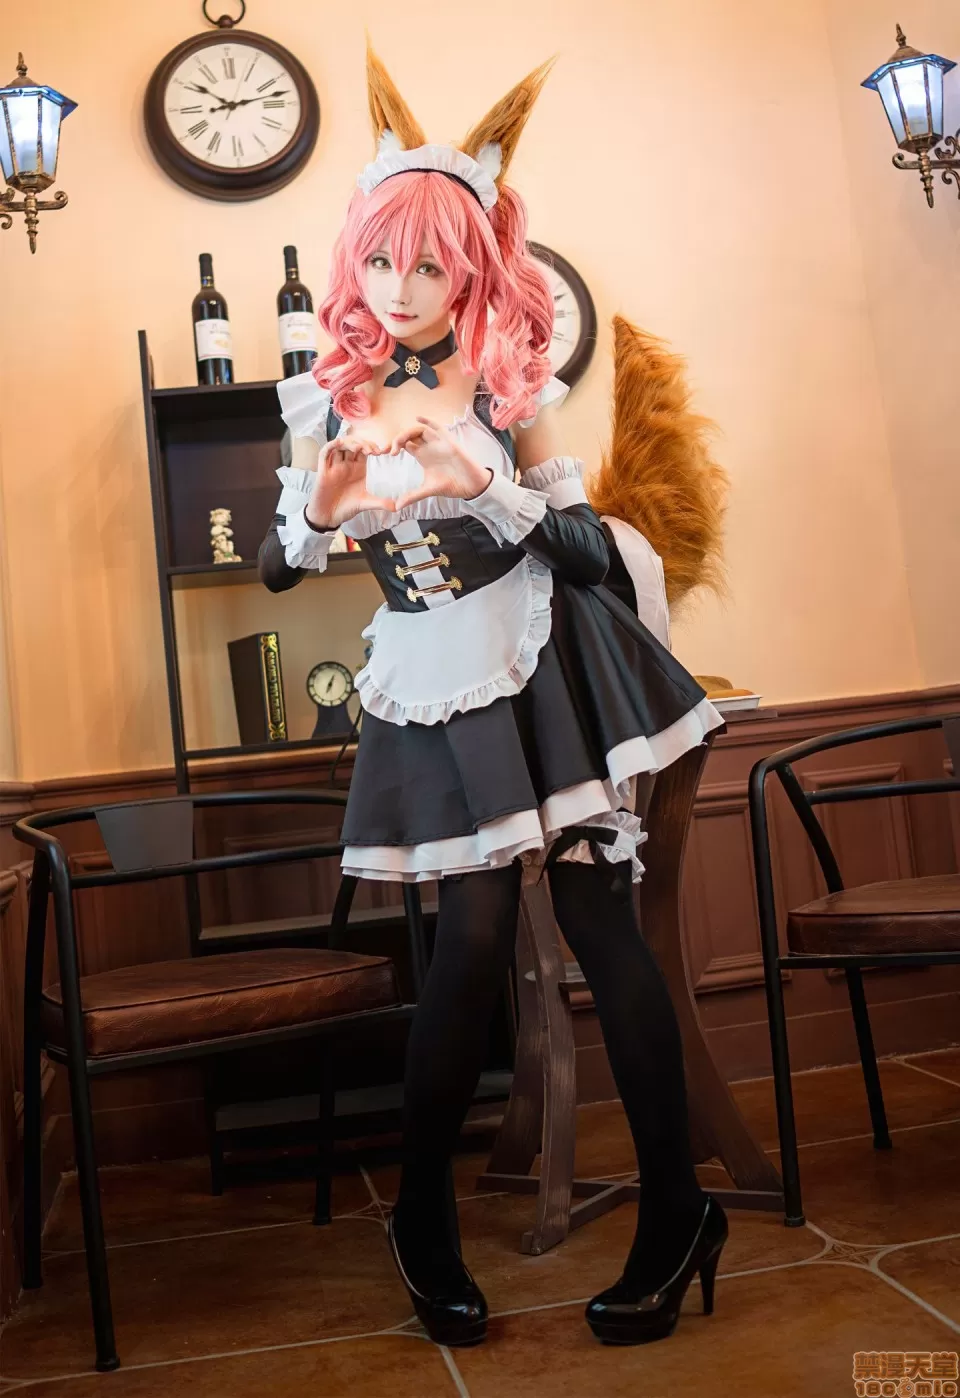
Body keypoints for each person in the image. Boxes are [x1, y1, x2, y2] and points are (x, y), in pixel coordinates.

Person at [259, 43, 729, 1349]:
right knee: (465, 944)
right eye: (381, 262)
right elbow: (277, 565)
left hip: (537, 664)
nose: (400, 289)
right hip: (430, 681)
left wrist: (487, 481)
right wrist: (320, 506)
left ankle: (678, 1208)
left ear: (469, 270)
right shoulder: (327, 397)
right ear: (354, 260)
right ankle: (423, 1224)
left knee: (601, 926)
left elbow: (588, 554)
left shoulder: (508, 387)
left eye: (429, 266)